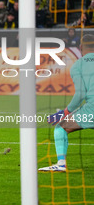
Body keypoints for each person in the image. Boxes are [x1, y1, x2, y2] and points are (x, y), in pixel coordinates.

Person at [39, 34, 94, 172]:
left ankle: (61, 164)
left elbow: (80, 94)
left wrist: (65, 112)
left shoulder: (78, 66)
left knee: (60, 128)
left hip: (91, 109)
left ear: (80, 47)